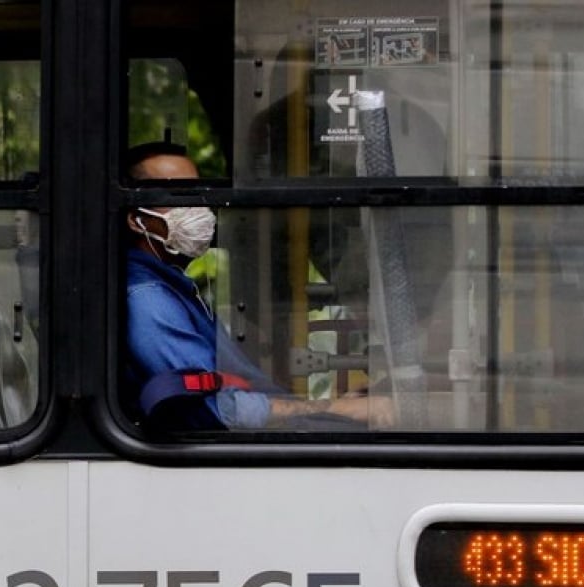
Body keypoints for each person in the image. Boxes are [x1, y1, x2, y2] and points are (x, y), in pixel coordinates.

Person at [123, 142, 394, 430]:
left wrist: (330, 410)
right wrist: (340, 409)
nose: (196, 207)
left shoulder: (174, 288)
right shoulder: (147, 299)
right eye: (178, 196)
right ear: (137, 220)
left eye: (197, 193)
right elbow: (218, 411)